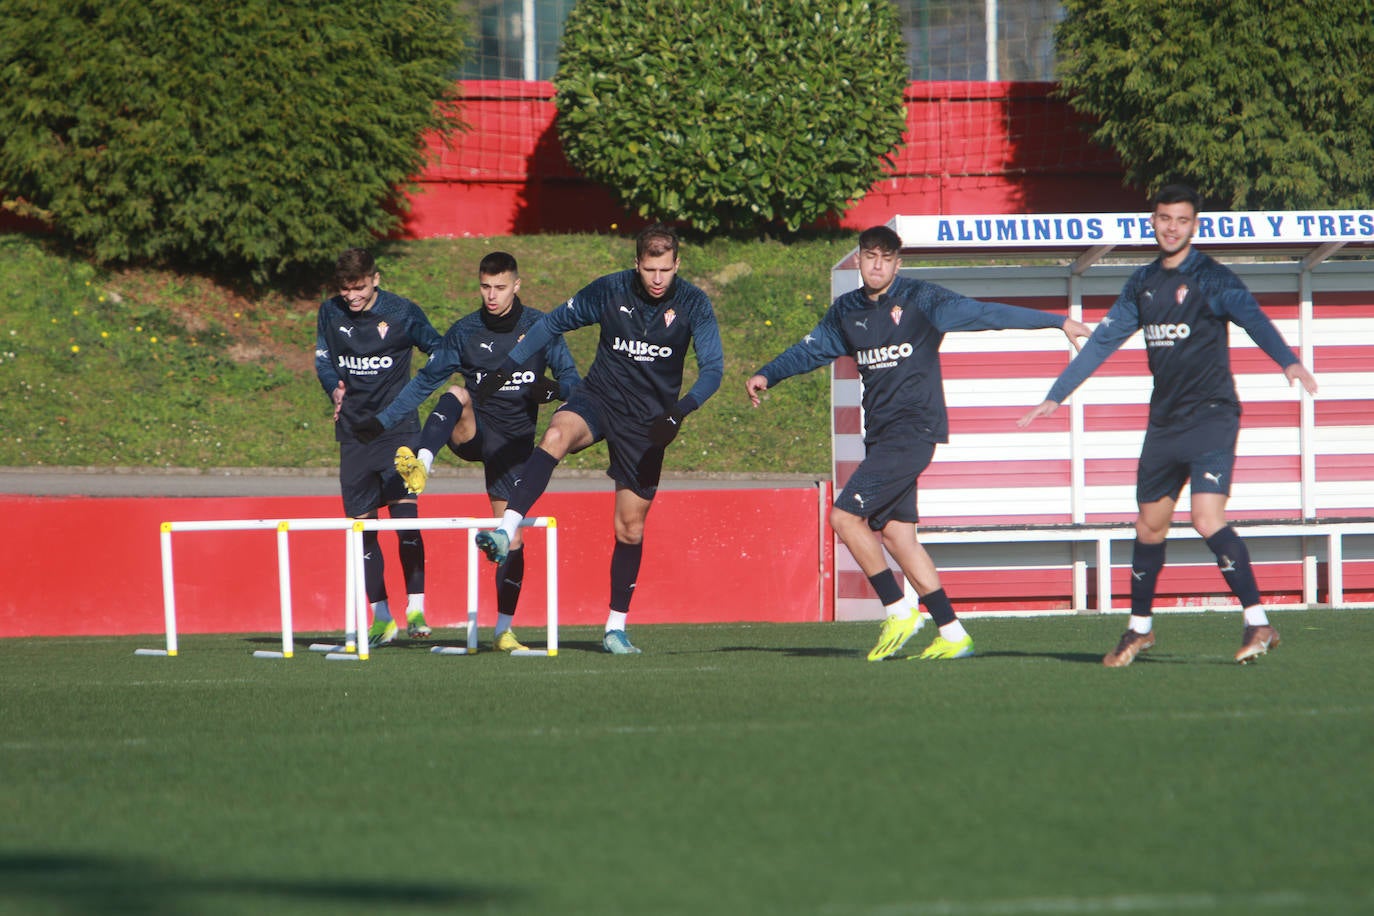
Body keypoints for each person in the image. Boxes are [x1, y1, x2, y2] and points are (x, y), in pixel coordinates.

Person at [747, 225, 1090, 662]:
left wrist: (1056, 321)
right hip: (882, 435)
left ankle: (897, 609)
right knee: (896, 535)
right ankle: (952, 633)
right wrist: (767, 374)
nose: (876, 265)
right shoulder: (846, 311)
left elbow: (986, 314)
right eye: (869, 256)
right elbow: (809, 350)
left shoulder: (923, 300)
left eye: (886, 258)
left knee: (844, 517)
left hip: (914, 430)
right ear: (859, 260)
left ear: (897, 263)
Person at [1019, 184, 1319, 667]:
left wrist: (1288, 362)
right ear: (1152, 221)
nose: (1171, 227)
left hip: (1213, 416)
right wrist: (1057, 394)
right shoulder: (1142, 283)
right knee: (1149, 527)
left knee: (1205, 518)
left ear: (1193, 225)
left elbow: (1253, 319)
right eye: (1164, 218)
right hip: (1164, 424)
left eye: (1181, 219)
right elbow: (1101, 343)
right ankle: (1139, 630)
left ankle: (1258, 621)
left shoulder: (1212, 278)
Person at [470, 223, 724, 654]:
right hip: (599, 398)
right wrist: (508, 366)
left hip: (648, 421)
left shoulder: (694, 304)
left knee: (629, 528)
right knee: (555, 433)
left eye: (665, 269)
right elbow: (550, 324)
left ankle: (615, 627)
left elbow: (713, 370)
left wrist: (680, 413)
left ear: (677, 264)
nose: (657, 279)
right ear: (636, 264)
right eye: (649, 269)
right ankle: (505, 529)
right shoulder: (609, 291)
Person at [374, 251, 581, 652]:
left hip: (514, 449)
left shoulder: (541, 327)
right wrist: (384, 420)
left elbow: (574, 382)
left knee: (511, 540)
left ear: (516, 286)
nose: (491, 295)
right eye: (485, 287)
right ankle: (423, 464)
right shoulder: (465, 331)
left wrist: (555, 390)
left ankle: (504, 630)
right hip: (475, 432)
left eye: (500, 287)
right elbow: (423, 382)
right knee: (455, 393)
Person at [314, 248, 442, 648]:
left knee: (406, 519)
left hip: (398, 432)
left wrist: (414, 392)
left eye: (359, 287)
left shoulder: (403, 312)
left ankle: (417, 607)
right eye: (345, 288)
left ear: (376, 279)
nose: (351, 296)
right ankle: (381, 617)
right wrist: (333, 385)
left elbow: (439, 351)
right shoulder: (329, 312)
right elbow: (322, 360)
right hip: (353, 435)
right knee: (363, 530)